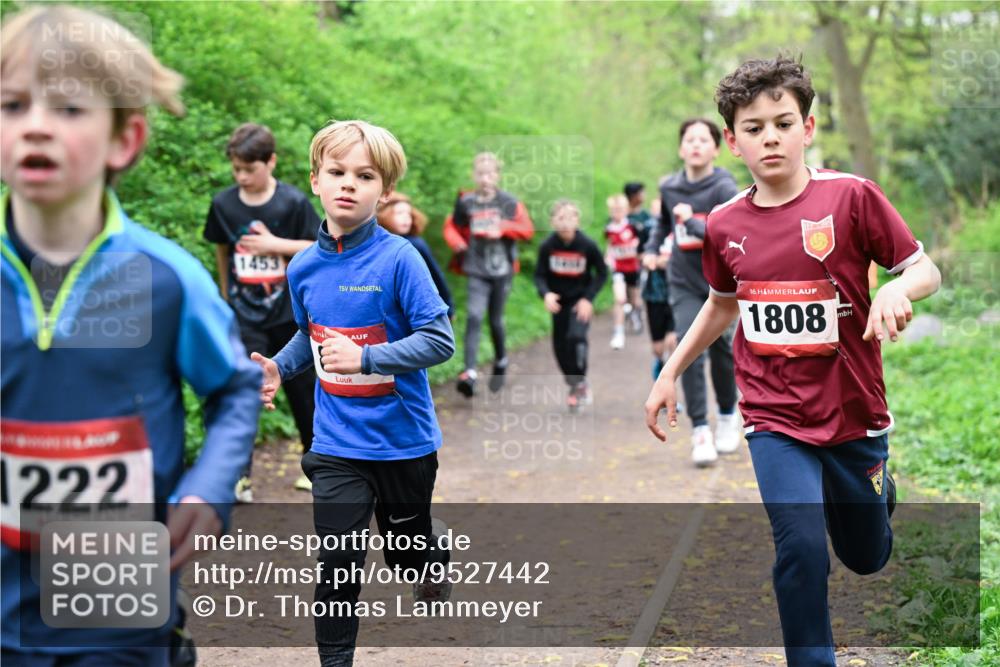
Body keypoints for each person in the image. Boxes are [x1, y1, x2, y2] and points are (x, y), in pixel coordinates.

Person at [644, 56, 941, 667]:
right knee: (802, 546)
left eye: (783, 122)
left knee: (866, 555)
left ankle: (881, 488)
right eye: (753, 128)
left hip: (854, 411)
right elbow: (722, 306)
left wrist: (893, 288)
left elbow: (924, 270)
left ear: (807, 127)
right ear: (733, 141)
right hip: (774, 415)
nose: (769, 137)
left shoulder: (852, 197)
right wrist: (670, 372)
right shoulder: (723, 223)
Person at [0, 5, 261, 665]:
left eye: (67, 109)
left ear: (125, 140)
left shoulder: (167, 278)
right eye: (11, 104)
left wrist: (208, 488)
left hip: (117, 610)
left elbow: (234, 388)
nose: (35, 125)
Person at [250, 120, 455, 667]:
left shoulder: (400, 258)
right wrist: (279, 367)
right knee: (338, 558)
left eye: (364, 176)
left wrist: (367, 357)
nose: (348, 184)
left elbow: (439, 340)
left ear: (383, 191)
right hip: (337, 442)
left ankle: (430, 560)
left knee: (406, 558)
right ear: (315, 179)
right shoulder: (305, 266)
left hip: (403, 442)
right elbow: (307, 334)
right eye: (337, 172)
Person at [203, 123, 321, 498]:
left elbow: (317, 246)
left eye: (249, 169)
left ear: (270, 162)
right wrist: (226, 295)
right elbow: (221, 247)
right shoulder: (224, 204)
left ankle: (314, 464)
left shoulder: (292, 202)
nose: (242, 177)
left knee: (303, 391)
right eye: (236, 169)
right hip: (244, 313)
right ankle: (240, 475)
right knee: (245, 387)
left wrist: (274, 243)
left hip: (289, 313)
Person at [643, 118, 741, 466]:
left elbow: (729, 234)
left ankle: (728, 415)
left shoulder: (724, 187)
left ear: (717, 148)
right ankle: (700, 429)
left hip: (721, 282)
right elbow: (663, 226)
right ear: (681, 148)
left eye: (704, 139)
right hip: (683, 281)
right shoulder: (670, 188)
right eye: (689, 139)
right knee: (689, 348)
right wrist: (652, 248)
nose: (696, 145)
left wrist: (693, 222)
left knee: (723, 351)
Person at [443, 151, 533, 397]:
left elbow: (527, 230)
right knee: (473, 316)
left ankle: (501, 359)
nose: (485, 178)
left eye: (490, 173)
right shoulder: (466, 201)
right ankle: (469, 372)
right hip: (476, 268)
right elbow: (452, 225)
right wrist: (455, 241)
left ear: (497, 176)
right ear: (474, 175)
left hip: (502, 270)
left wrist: (503, 229)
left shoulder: (509, 202)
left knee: (495, 320)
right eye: (480, 174)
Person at [534, 199, 608, 411]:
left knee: (576, 338)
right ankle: (575, 385)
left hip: (579, 303)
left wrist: (588, 298)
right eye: (560, 218)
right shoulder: (548, 246)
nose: (565, 223)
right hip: (559, 304)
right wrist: (546, 294)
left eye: (570, 217)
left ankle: (580, 382)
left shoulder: (587, 245)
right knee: (560, 348)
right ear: (553, 222)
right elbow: (539, 275)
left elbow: (602, 273)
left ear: (577, 220)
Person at [376, 192, 454, 318]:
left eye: (408, 214)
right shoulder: (375, 244)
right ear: (385, 215)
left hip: (413, 311)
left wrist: (448, 308)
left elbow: (436, 275)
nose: (406, 218)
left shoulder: (416, 244)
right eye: (400, 213)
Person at [604, 194, 641, 350]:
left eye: (619, 209)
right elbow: (609, 246)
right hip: (618, 269)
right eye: (613, 210)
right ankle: (618, 334)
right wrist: (608, 258)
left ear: (626, 210)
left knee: (634, 300)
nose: (616, 213)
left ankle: (633, 313)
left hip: (633, 268)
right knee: (619, 299)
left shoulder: (633, 227)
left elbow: (641, 246)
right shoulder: (608, 229)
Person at [624, 181, 654, 334]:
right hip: (625, 260)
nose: (644, 196)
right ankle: (629, 311)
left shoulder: (646, 215)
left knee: (637, 288)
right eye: (641, 193)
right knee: (626, 291)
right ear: (633, 196)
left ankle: (636, 314)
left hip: (643, 258)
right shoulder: (624, 216)